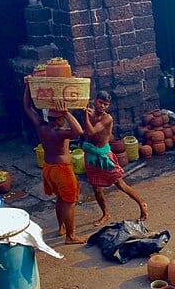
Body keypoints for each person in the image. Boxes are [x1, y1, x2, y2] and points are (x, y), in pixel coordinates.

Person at [22, 82, 86, 244]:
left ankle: (61, 227)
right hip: (62, 170)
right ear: (58, 119)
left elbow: (27, 107)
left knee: (60, 199)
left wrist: (29, 86)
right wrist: (66, 113)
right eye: (62, 119)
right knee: (69, 202)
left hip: (48, 168)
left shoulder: (41, 126)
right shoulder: (59, 133)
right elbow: (79, 131)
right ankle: (70, 236)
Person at [82, 91, 148, 226]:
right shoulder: (90, 113)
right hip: (91, 156)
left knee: (120, 185)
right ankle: (105, 213)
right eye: (100, 103)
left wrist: (84, 116)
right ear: (95, 101)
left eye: (106, 104)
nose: (102, 106)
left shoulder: (108, 118)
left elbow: (91, 132)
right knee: (96, 188)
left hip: (104, 156)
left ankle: (142, 204)